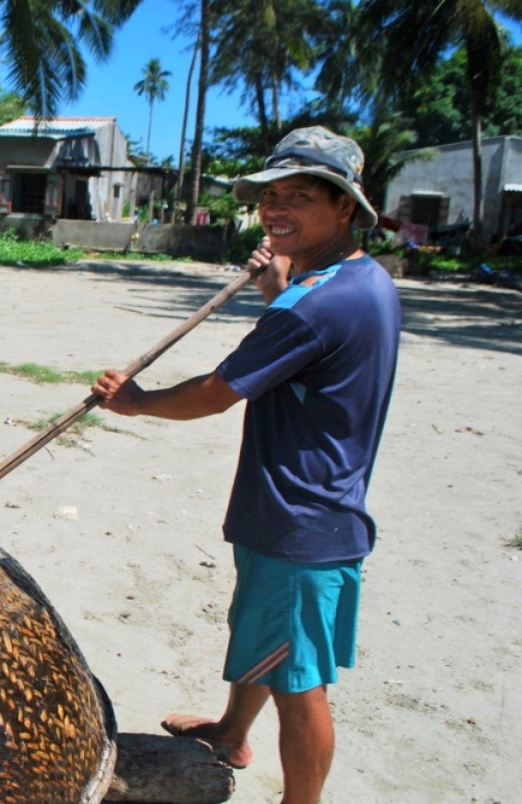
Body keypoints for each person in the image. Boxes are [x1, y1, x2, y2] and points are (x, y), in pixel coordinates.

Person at [91, 126, 401, 804]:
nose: (275, 210)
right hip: (313, 507)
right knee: (264, 638)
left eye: (299, 197)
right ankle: (232, 731)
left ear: (344, 206)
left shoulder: (312, 305)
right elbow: (317, 354)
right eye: (269, 196)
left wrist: (138, 401)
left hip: (298, 522)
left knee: (299, 682)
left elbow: (215, 393)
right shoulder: (361, 280)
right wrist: (276, 287)